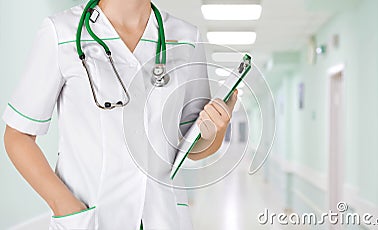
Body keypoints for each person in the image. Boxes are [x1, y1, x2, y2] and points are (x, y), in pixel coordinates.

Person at [2, 0, 237, 229]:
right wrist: (65, 205)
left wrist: (218, 129)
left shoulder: (187, 38)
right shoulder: (62, 32)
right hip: (92, 217)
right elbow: (18, 135)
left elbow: (193, 149)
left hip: (163, 215)